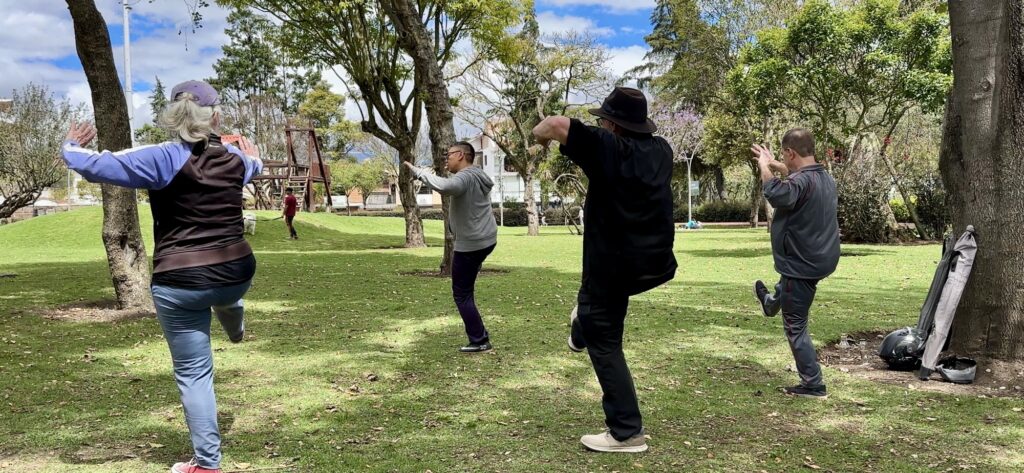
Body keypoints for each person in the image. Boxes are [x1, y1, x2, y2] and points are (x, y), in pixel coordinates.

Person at [61, 80, 264, 473]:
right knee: (224, 293)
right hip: (237, 271)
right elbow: (255, 165)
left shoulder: (160, 157)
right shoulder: (238, 160)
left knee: (194, 373)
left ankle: (207, 465)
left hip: (181, 281)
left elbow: (97, 163)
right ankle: (233, 321)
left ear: (173, 119)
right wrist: (255, 157)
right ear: (215, 116)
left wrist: (70, 145)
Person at [532, 87, 677, 453]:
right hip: (650, 262)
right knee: (593, 313)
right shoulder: (662, 151)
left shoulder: (606, 147)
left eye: (602, 120)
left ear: (611, 125)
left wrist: (538, 140)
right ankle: (582, 326)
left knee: (604, 337)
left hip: (611, 264)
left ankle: (626, 431)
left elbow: (552, 124)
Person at [750, 128, 840, 400]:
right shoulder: (823, 176)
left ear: (790, 152)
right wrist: (778, 165)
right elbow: (798, 180)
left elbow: (776, 193)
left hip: (802, 264)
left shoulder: (800, 183)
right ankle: (771, 302)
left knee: (795, 325)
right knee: (787, 286)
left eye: (784, 156)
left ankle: (813, 384)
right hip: (820, 258)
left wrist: (766, 168)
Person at [404, 142, 498, 353]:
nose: (446, 158)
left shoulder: (465, 177)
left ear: (462, 155)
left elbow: (446, 187)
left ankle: (479, 340)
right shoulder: (476, 174)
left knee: (461, 293)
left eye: (449, 155)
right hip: (486, 239)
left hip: (471, 244)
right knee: (466, 289)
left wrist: (419, 172)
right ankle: (479, 336)